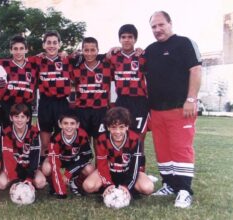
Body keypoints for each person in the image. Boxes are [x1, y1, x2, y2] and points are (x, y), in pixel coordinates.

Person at [145, 11, 202, 208]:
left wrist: (191, 99)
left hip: (180, 108)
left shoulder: (185, 43)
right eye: (153, 27)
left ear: (170, 23)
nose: (157, 29)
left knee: (181, 148)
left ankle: (185, 190)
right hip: (156, 110)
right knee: (163, 149)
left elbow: (196, 70)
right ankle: (169, 184)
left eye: (161, 25)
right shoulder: (150, 50)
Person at [82, 107, 154, 200]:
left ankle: (129, 189)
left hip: (128, 173)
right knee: (88, 186)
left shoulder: (134, 139)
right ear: (108, 127)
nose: (117, 132)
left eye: (121, 127)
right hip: (110, 172)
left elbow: (135, 166)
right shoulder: (102, 139)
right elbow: (102, 164)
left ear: (127, 126)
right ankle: (108, 187)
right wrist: (108, 184)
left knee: (148, 188)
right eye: (113, 127)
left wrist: (127, 186)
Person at [108, 24, 149, 171]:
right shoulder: (113, 57)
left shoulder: (142, 57)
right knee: (120, 136)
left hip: (139, 102)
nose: (126, 40)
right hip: (122, 101)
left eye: (130, 37)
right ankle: (121, 168)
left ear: (135, 39)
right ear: (119, 39)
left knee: (139, 139)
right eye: (123, 37)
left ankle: (140, 171)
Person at [31, 30, 72, 159]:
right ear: (43, 45)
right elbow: (17, 59)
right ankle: (45, 172)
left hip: (62, 103)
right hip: (45, 103)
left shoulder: (67, 60)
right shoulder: (37, 60)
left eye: (55, 43)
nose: (51, 45)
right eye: (48, 42)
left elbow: (88, 55)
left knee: (64, 141)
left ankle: (64, 174)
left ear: (59, 45)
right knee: (45, 143)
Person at [41, 109, 94, 198]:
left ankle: (76, 184)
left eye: (72, 123)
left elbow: (86, 157)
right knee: (46, 168)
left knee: (90, 169)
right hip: (59, 160)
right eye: (65, 123)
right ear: (60, 124)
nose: (69, 126)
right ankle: (54, 185)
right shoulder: (55, 138)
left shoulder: (82, 135)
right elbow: (54, 164)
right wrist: (61, 191)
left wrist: (68, 173)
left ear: (77, 125)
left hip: (74, 161)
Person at [71, 37, 113, 149]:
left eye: (92, 50)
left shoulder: (107, 66)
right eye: (86, 50)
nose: (89, 53)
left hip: (101, 110)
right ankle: (85, 166)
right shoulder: (76, 67)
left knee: (99, 144)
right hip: (82, 110)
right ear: (82, 50)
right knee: (83, 143)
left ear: (98, 50)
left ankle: (99, 166)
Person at [0, 103, 46, 191]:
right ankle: (16, 182)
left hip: (29, 167)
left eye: (23, 117)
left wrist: (29, 178)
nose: (19, 120)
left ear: (28, 119)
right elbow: (8, 160)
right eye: (16, 116)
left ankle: (29, 182)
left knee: (41, 182)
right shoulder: (6, 133)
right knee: (0, 184)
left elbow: (35, 159)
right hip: (13, 168)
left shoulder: (34, 133)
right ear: (11, 118)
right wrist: (15, 180)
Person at [0, 35, 38, 128]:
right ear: (11, 50)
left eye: (21, 48)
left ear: (26, 50)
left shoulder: (34, 65)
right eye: (15, 49)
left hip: (26, 106)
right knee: (7, 136)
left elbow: (47, 58)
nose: (18, 52)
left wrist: (63, 53)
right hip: (7, 106)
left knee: (25, 136)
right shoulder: (3, 64)